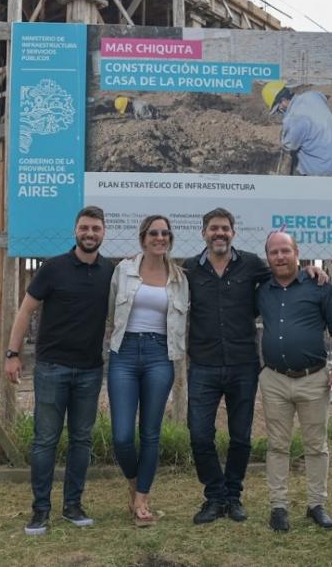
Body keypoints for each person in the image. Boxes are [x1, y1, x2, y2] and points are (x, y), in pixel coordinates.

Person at [183, 207, 327, 525]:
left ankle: (233, 497)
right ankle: (214, 496)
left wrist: (309, 271)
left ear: (233, 232)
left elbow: (284, 276)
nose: (219, 233)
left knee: (241, 436)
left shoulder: (251, 264)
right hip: (204, 365)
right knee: (200, 435)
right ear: (203, 233)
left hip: (243, 364)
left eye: (225, 228)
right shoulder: (191, 268)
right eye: (213, 228)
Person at [4, 206, 114, 536]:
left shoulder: (110, 271)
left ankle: (73, 506)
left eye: (95, 228)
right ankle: (40, 510)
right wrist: (12, 353)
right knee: (45, 442)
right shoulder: (53, 268)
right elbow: (25, 311)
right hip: (52, 368)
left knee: (81, 440)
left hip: (90, 371)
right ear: (75, 231)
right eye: (84, 228)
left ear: (103, 233)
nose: (90, 234)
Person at [257, 230, 332, 532]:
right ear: (268, 257)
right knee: (277, 445)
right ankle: (278, 506)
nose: (280, 257)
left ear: (297, 253)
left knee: (316, 445)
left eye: (286, 251)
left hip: (313, 378)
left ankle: (316, 504)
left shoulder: (319, 285)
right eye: (274, 252)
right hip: (274, 379)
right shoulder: (262, 288)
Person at [107, 215, 189, 527]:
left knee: (151, 433)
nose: (160, 237)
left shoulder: (180, 278)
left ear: (170, 239)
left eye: (165, 233)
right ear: (143, 238)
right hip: (124, 353)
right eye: (153, 233)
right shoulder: (123, 270)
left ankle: (142, 497)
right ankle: (134, 481)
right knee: (123, 435)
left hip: (159, 355)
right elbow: (112, 310)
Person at [262, 81, 332, 177]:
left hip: (327, 168)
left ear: (284, 100)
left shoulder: (293, 120)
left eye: (278, 108)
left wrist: (283, 134)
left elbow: (289, 145)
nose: (279, 112)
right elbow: (324, 99)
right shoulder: (313, 95)